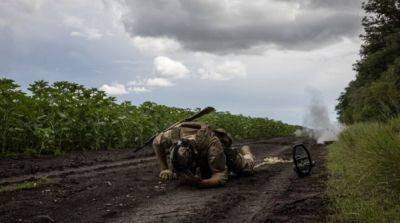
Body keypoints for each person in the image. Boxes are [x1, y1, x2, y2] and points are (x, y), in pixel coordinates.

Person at [152, 121, 255, 187]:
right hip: (199, 154)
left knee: (245, 169)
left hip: (220, 152)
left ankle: (246, 152)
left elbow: (219, 175)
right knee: (197, 173)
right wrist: (164, 168)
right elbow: (156, 143)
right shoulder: (172, 135)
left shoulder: (212, 144)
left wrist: (202, 183)